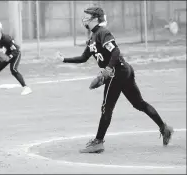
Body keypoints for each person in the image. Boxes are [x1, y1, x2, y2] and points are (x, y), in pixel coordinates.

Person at [55, 7, 174, 153]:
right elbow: (83, 58)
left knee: (107, 107)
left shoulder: (102, 32)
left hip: (117, 72)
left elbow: (115, 51)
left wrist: (109, 68)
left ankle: (98, 142)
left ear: (95, 19)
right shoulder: (92, 38)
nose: (84, 19)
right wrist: (64, 60)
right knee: (138, 104)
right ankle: (164, 128)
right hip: (123, 71)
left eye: (87, 17)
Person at [0, 20, 32, 96]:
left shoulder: (6, 39)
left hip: (15, 54)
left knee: (13, 69)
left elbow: (16, 51)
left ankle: (26, 88)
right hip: (5, 55)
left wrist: (9, 57)